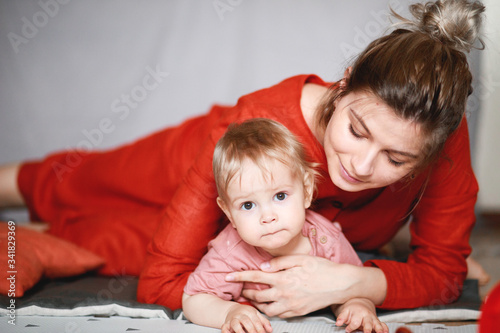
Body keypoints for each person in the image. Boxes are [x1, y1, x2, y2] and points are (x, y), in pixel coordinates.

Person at [0, 0, 488, 317]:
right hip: (192, 160)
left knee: (105, 243)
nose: (361, 166)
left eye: (396, 161)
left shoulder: (441, 146)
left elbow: (443, 276)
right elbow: (162, 283)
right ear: (342, 87)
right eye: (356, 131)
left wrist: (352, 281)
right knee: (72, 182)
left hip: (238, 236)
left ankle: (43, 233)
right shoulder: (253, 120)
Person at [182, 118, 388, 333]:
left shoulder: (326, 240)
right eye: (248, 205)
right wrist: (229, 312)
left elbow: (352, 287)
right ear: (229, 213)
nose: (268, 216)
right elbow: (194, 299)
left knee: (369, 262)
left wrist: (357, 307)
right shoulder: (229, 250)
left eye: (280, 196)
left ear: (307, 191)